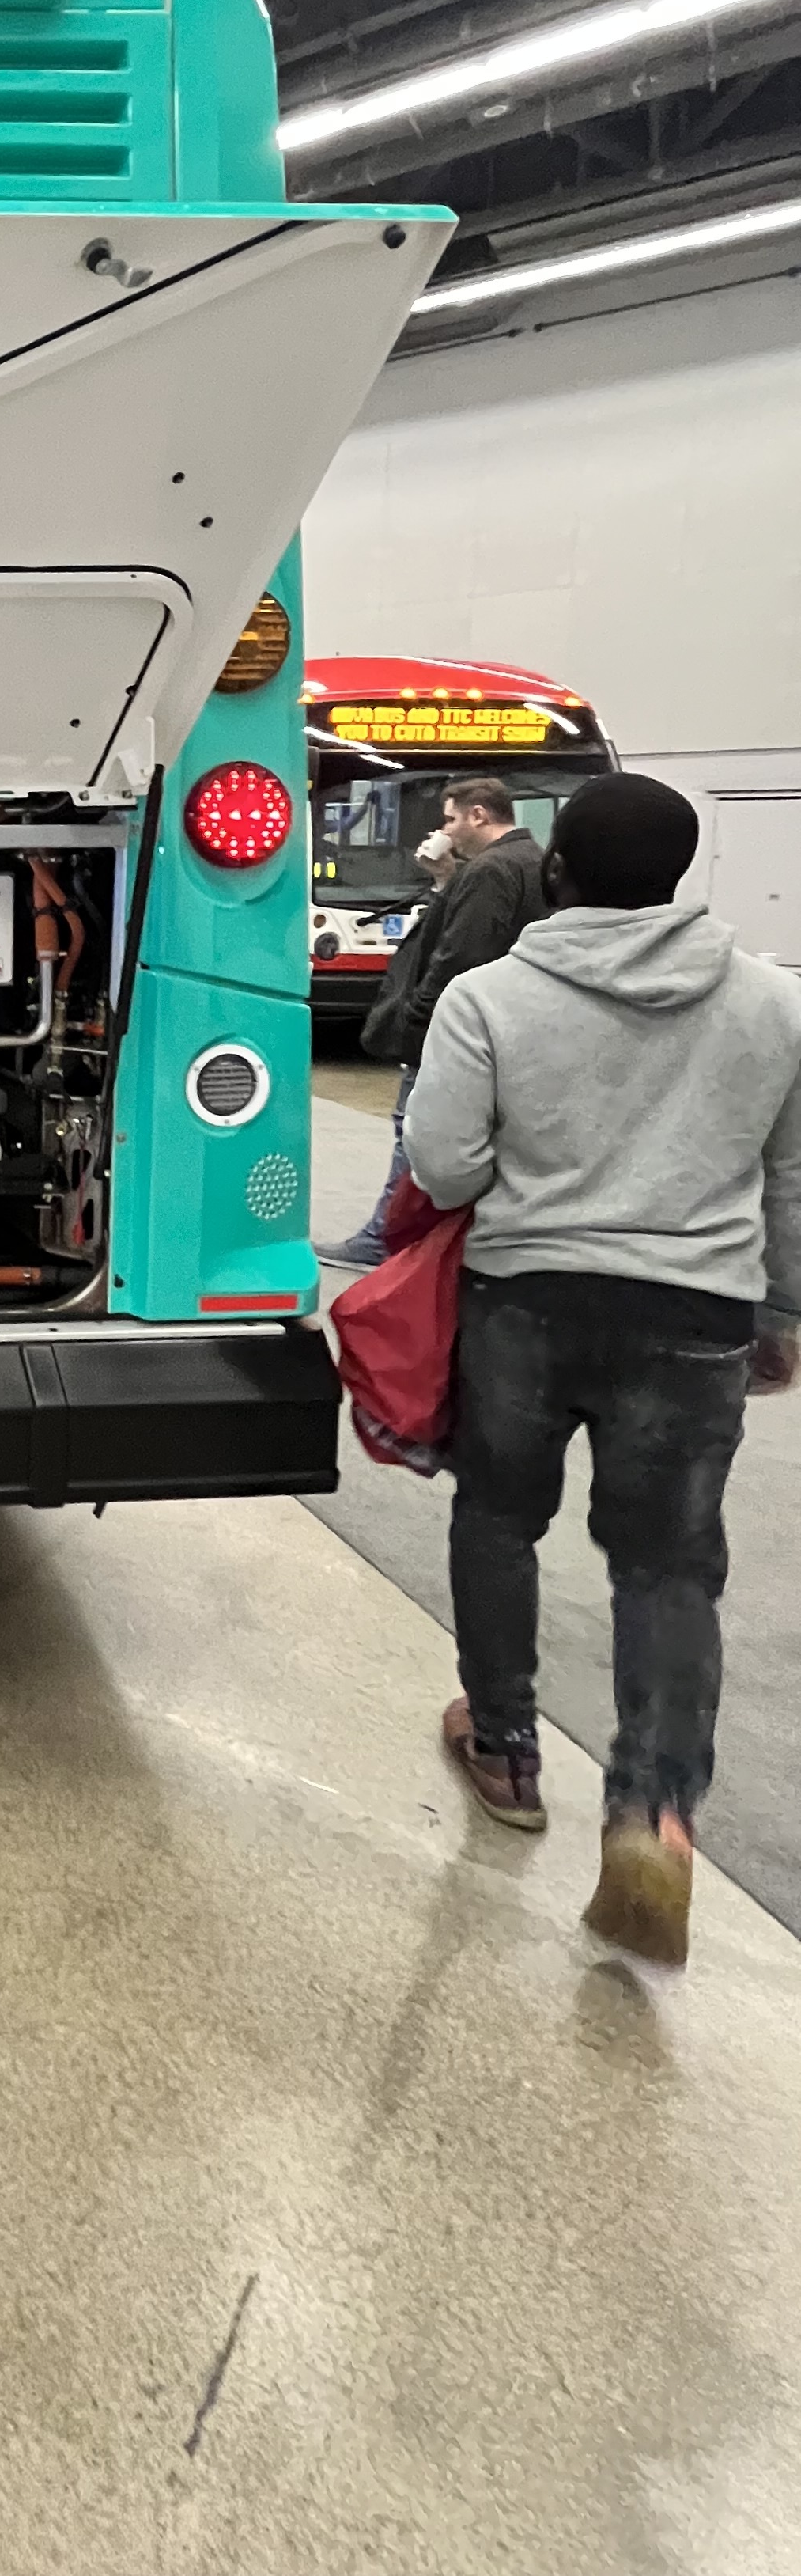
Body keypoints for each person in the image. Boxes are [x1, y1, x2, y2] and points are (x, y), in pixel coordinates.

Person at [403, 775, 801, 1968]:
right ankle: (652, 1814)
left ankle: (505, 1747)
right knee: (668, 1570)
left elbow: (443, 1163)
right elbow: (791, 1179)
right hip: (696, 1315)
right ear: (681, 873)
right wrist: (782, 1313)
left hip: (524, 1303)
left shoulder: (489, 996)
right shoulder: (774, 1000)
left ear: (556, 870)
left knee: (499, 1518)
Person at [324, 778, 547, 1269]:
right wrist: (446, 878)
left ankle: (385, 1238)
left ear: (478, 816)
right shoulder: (534, 860)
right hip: (509, 1029)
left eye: (450, 819)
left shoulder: (491, 869)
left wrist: (416, 1019)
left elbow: (458, 955)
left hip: (454, 1030)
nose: (445, 830)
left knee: (415, 1131)